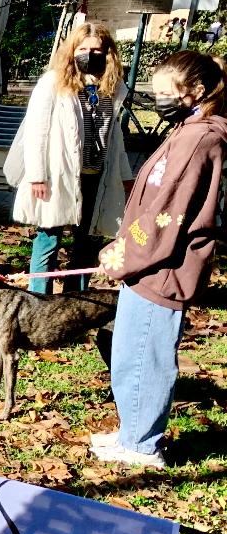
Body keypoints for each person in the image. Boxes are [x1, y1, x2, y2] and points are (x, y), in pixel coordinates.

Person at [91, 51, 227, 468]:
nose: (158, 99)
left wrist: (123, 256)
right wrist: (122, 248)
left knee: (144, 357)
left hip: (162, 269)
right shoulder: (187, 129)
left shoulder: (199, 139)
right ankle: (133, 432)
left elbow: (167, 215)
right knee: (129, 352)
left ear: (195, 91)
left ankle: (142, 446)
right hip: (146, 263)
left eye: (166, 92)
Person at [10, 22, 132, 293]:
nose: (90, 54)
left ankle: (75, 295)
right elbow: (36, 132)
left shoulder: (112, 87)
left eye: (97, 50)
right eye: (83, 49)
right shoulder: (53, 83)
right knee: (49, 236)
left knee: (88, 239)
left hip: (96, 174)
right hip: (58, 173)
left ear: (108, 53)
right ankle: (39, 296)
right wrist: (37, 176)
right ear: (72, 51)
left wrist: (125, 175)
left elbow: (115, 137)